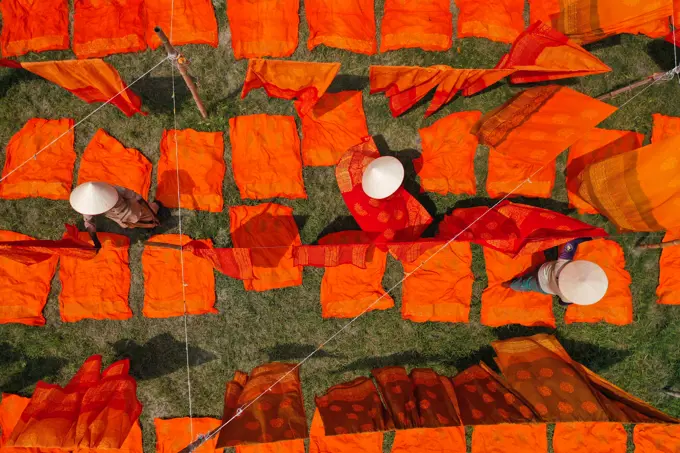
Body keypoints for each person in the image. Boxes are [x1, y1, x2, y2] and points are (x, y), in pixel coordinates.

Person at [504, 238, 609, 306]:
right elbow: (563, 303)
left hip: (543, 270)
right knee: (526, 285)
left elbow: (569, 247)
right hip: (542, 287)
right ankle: (510, 285)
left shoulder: (562, 266)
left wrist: (581, 238)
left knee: (526, 282)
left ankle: (509, 284)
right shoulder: (568, 297)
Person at [69, 182, 161, 249]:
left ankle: (155, 209)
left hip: (136, 212)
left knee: (154, 213)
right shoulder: (88, 207)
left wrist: (153, 215)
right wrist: (96, 242)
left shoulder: (115, 190)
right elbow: (89, 223)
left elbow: (138, 198)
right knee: (134, 225)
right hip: (122, 221)